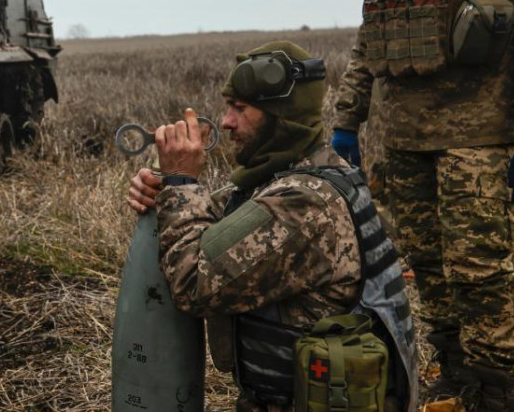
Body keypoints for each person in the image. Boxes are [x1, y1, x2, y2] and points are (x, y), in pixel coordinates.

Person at [331, 0, 514, 411]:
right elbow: (368, 39)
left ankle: (497, 389)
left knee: (481, 273)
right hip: (405, 139)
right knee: (430, 269)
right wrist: (346, 121)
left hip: (481, 140)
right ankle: (457, 377)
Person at [126, 41, 416, 412]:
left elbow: (193, 285)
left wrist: (182, 185)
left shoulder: (305, 204)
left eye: (241, 109)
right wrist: (163, 189)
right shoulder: (307, 176)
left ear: (282, 116)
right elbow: (225, 215)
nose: (227, 121)